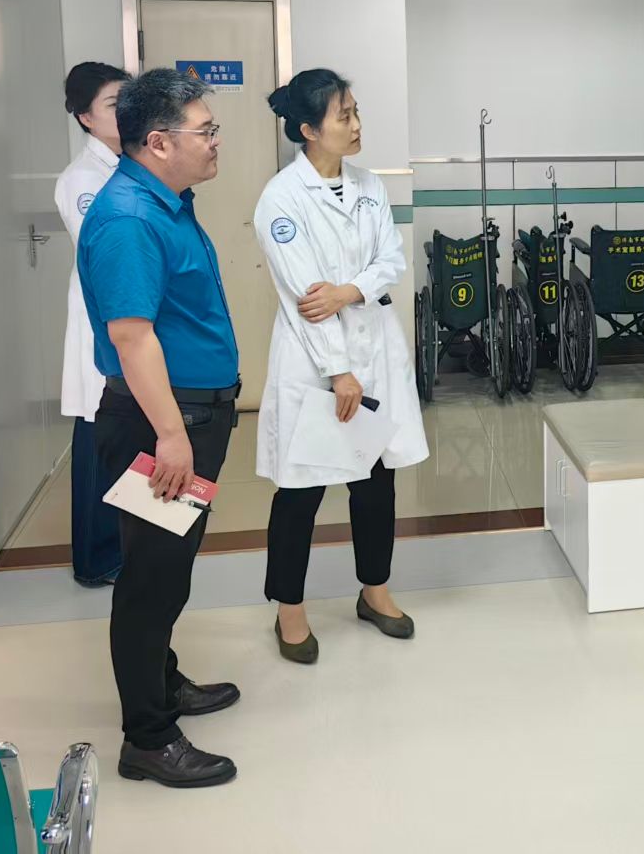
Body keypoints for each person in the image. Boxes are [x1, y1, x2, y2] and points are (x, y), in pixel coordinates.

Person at [78, 67, 243, 788]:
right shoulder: (128, 218)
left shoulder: (166, 202)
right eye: (205, 130)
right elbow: (132, 336)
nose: (215, 141)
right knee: (150, 579)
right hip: (162, 425)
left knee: (167, 570)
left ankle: (163, 682)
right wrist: (172, 437)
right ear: (158, 142)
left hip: (188, 415)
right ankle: (147, 737)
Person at [254, 69, 428, 664]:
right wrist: (338, 371)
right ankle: (289, 610)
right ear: (309, 129)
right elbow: (305, 296)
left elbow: (391, 260)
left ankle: (374, 590)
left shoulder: (368, 186)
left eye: (356, 112)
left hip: (372, 351)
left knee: (375, 484)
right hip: (315, 364)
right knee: (300, 493)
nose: (356, 125)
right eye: (343, 116)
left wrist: (349, 291)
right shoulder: (280, 199)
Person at [54, 62, 130, 588]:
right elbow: (109, 254)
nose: (125, 112)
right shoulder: (83, 179)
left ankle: (126, 548)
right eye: (112, 104)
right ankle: (97, 559)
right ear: (85, 117)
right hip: (106, 327)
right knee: (99, 442)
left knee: (126, 438)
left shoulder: (125, 167)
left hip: (130, 327)